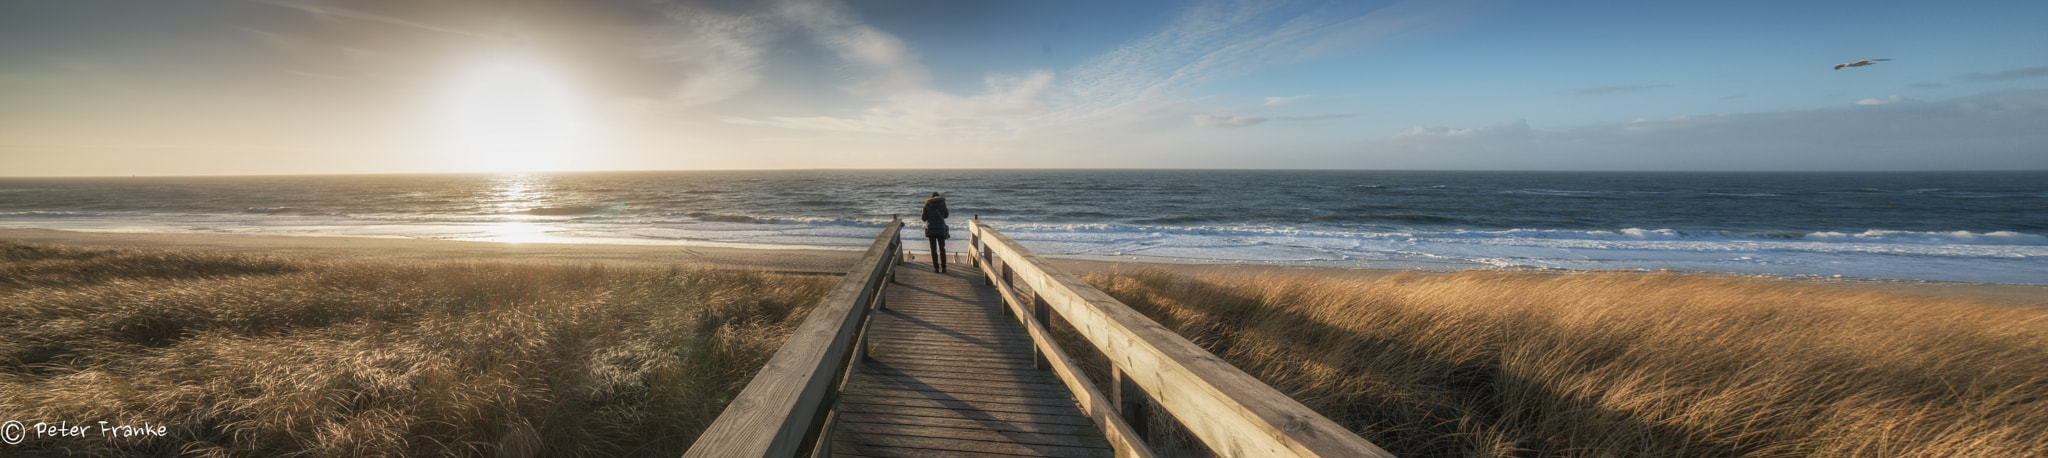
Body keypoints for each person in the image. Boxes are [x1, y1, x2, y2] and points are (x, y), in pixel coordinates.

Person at [920, 192, 950, 272]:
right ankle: (944, 268)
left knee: (933, 249)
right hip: (940, 229)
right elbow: (946, 215)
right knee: (942, 249)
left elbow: (923, 218)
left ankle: (936, 268)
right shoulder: (943, 204)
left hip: (931, 229)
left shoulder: (927, 205)